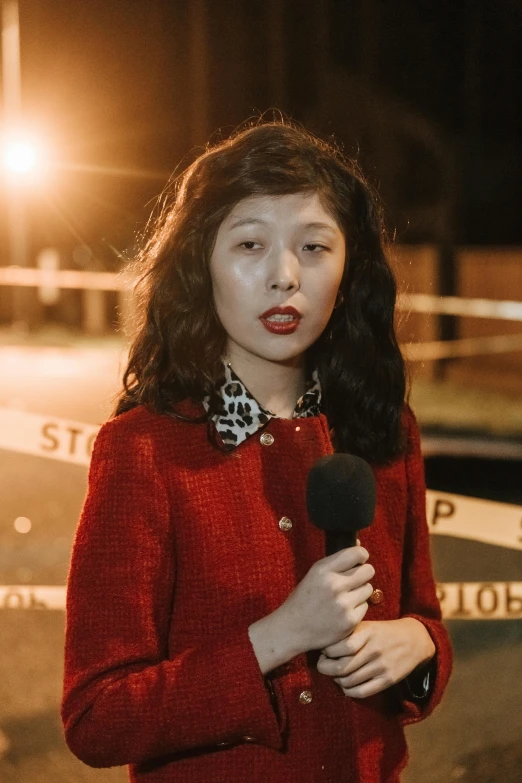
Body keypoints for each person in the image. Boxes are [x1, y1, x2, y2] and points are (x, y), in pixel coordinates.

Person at [60, 119, 453, 782]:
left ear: (350, 267)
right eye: (249, 244)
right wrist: (281, 635)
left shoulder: (385, 430)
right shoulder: (143, 451)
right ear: (200, 264)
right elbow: (97, 715)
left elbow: (425, 621)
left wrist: (418, 645)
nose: (284, 276)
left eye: (314, 245)